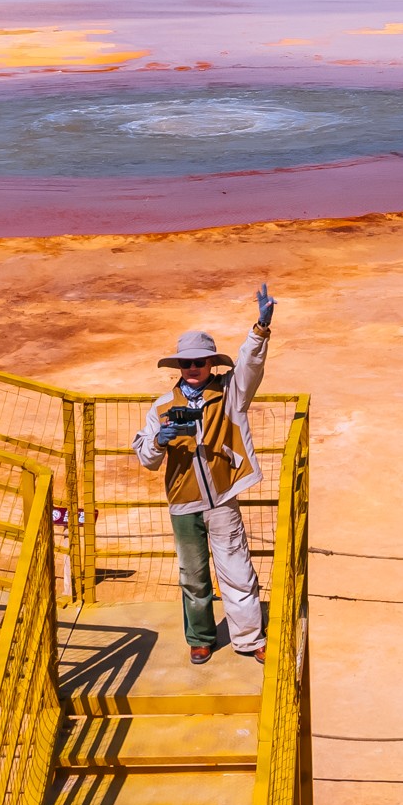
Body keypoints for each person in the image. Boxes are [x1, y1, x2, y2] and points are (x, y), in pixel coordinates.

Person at [134, 284, 276, 664]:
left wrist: (259, 329)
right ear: (178, 367)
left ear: (212, 363)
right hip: (183, 503)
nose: (193, 369)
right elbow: (145, 457)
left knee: (237, 570)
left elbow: (250, 365)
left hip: (222, 497)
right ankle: (200, 637)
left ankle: (249, 638)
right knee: (193, 577)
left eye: (199, 362)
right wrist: (160, 440)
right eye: (187, 363)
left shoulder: (231, 392)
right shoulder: (163, 405)